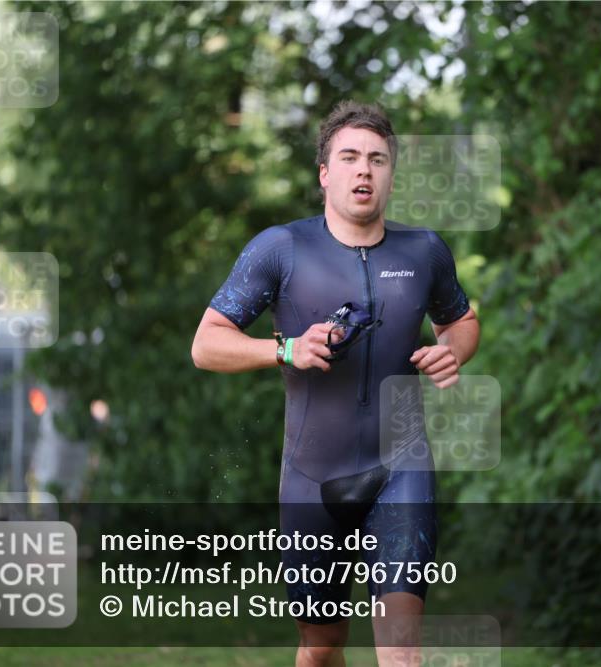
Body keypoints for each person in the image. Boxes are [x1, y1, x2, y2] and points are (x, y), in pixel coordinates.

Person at [192, 100, 480, 667]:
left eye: (377, 159)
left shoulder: (423, 251)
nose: (364, 170)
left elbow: (462, 322)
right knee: (322, 648)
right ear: (325, 173)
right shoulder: (282, 249)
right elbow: (206, 344)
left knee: (401, 651)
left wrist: (451, 352)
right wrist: (286, 348)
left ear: (391, 174)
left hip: (402, 470)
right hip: (311, 480)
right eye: (349, 157)